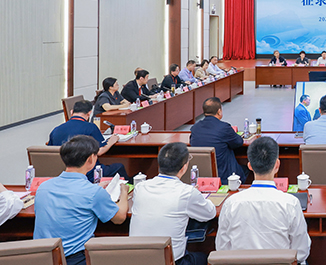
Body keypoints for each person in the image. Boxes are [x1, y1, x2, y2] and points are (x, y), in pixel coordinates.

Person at [34, 135, 128, 265]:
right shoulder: (93, 193)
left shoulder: (43, 187)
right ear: (91, 159)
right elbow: (120, 218)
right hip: (75, 259)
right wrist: (124, 192)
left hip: (43, 257)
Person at [216, 137, 311, 263]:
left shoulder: (231, 203)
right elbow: (301, 252)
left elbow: (222, 250)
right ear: (277, 165)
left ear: (250, 166)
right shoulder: (290, 203)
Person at [130, 143, 216, 265]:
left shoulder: (141, 187)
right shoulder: (186, 192)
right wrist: (197, 195)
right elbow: (210, 213)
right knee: (205, 257)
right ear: (184, 167)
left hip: (137, 259)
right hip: (172, 261)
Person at [48, 100, 129, 182]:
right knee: (119, 167)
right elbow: (99, 151)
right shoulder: (91, 127)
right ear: (89, 113)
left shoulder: (56, 130)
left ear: (71, 112)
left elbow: (51, 151)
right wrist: (111, 141)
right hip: (88, 173)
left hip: (63, 173)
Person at [190, 97, 250, 184]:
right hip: (225, 177)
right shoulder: (224, 128)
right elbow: (239, 142)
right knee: (246, 169)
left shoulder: (195, 128)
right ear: (219, 111)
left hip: (202, 177)